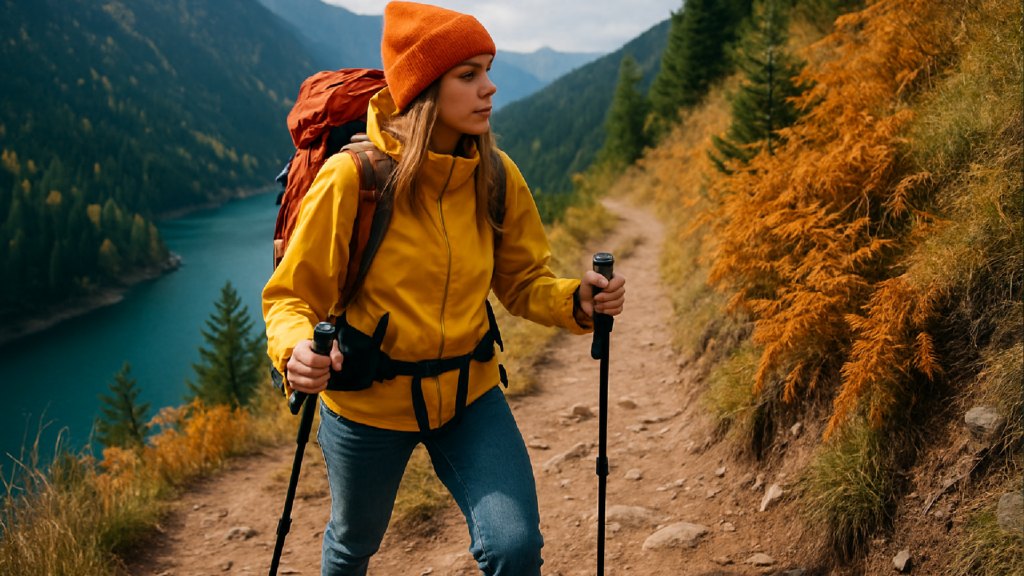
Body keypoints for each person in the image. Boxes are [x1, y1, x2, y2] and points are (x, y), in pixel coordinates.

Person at [262, 2, 626, 574]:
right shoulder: (353, 178)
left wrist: (575, 301)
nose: (490, 87)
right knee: (353, 544)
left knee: (514, 546)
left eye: (487, 68)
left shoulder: (495, 174)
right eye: (469, 74)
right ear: (425, 88)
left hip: (469, 396)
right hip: (366, 407)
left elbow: (523, 280)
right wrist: (296, 350)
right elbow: (290, 298)